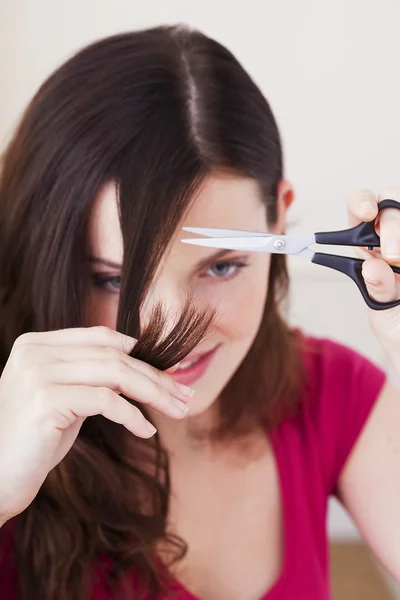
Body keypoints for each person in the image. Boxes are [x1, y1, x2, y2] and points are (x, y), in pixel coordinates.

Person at [0, 23, 399, 600]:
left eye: (221, 267)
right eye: (112, 278)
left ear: (278, 215)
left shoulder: (328, 389)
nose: (170, 330)